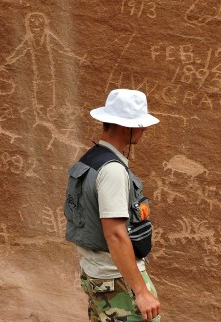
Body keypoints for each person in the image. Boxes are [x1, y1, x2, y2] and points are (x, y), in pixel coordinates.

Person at [63, 89, 162, 321]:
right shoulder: (113, 171)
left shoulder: (90, 160)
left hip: (97, 276)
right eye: (140, 123)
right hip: (118, 283)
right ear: (124, 126)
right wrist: (141, 291)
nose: (144, 129)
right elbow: (115, 234)